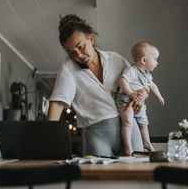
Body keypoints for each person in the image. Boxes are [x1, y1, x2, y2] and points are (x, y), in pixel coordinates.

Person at [47, 14, 147, 157]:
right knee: (99, 177)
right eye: (72, 53)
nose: (79, 55)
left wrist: (142, 96)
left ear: (91, 39)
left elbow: (141, 85)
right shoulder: (68, 68)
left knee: (136, 175)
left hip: (131, 128)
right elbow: (57, 103)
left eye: (80, 47)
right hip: (97, 134)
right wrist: (47, 140)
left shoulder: (115, 59)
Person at [115, 42, 164, 156]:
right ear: (143, 60)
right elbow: (122, 81)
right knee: (128, 122)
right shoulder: (132, 70)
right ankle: (128, 147)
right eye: (155, 59)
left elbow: (152, 86)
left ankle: (147, 143)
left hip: (138, 102)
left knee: (143, 123)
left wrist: (159, 96)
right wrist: (131, 93)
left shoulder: (147, 74)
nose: (157, 63)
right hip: (125, 100)